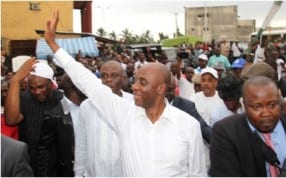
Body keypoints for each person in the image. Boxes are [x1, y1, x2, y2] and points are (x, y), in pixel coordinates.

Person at [44, 10, 207, 176]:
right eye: (135, 80)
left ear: (160, 88)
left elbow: (197, 174)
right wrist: (54, 46)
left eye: (142, 82)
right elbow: (89, 83)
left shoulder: (188, 126)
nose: (134, 86)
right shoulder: (125, 116)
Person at [209, 76, 286, 177]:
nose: (266, 113)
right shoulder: (225, 132)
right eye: (257, 107)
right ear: (245, 105)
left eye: (272, 105)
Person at [5, 61, 75, 176]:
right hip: (29, 164)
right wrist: (15, 81)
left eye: (41, 87)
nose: (36, 92)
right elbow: (11, 120)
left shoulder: (62, 100)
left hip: (57, 167)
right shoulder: (24, 98)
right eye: (32, 88)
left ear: (51, 83)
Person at [75, 60, 133, 177]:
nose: (108, 80)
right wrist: (78, 173)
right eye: (104, 76)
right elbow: (81, 144)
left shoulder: (133, 104)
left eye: (114, 75)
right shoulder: (87, 106)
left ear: (123, 78)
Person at [166, 76, 211, 144]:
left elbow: (202, 127)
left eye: (173, 89)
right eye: (168, 90)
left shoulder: (186, 106)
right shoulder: (148, 106)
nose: (171, 93)